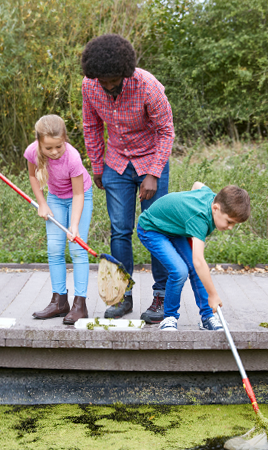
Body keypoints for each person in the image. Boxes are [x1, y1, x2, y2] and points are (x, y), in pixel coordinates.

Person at [80, 33, 175, 323]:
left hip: (151, 160)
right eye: (102, 81)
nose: (107, 87)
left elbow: (166, 131)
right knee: (119, 230)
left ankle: (160, 296)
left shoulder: (147, 86)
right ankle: (123, 296)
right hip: (116, 163)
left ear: (124, 72)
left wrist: (153, 173)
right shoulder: (90, 86)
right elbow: (91, 125)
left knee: (155, 229)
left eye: (112, 81)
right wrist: (98, 166)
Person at [136, 183, 251, 331]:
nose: (230, 227)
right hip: (151, 228)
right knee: (180, 271)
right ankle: (169, 317)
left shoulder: (213, 198)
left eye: (234, 224)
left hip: (173, 229)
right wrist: (213, 295)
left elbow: (197, 185)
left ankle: (208, 317)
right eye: (229, 222)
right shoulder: (199, 218)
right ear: (215, 208)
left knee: (196, 271)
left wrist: (185, 209)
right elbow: (198, 261)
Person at [25, 115, 94, 325]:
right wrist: (42, 203)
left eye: (58, 146)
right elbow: (33, 176)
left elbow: (79, 194)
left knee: (77, 249)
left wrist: (73, 226)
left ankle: (80, 305)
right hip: (54, 198)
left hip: (79, 197)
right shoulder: (32, 152)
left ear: (65, 139)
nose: (54, 152)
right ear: (39, 142)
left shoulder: (72, 157)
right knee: (54, 248)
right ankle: (59, 302)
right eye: (49, 148)